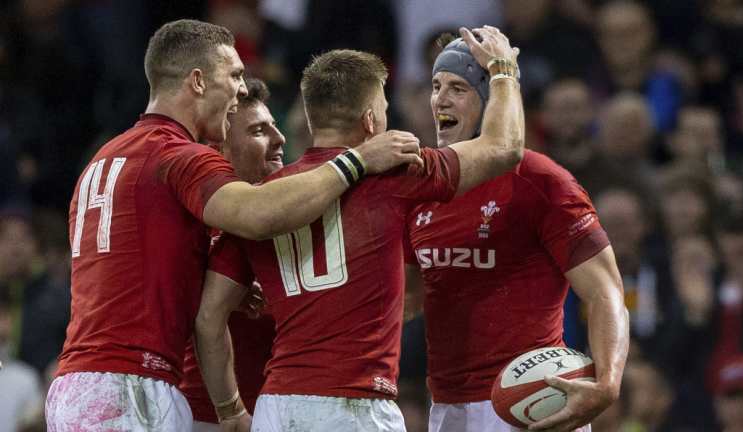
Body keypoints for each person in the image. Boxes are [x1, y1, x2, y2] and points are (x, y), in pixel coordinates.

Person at [45, 19, 423, 431]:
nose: (241, 89)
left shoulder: (103, 157)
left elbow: (134, 264)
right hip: (132, 384)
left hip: (77, 384)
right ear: (197, 81)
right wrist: (359, 161)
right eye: (235, 75)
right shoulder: (179, 155)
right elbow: (258, 215)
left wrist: (209, 281)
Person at [195, 26, 524, 432]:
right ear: (371, 120)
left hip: (277, 406)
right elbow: (504, 147)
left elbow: (209, 318)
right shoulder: (396, 174)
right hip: (355, 404)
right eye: (383, 108)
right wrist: (503, 70)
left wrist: (229, 410)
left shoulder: (262, 200)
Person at [403, 32, 629, 432]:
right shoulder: (423, 186)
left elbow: (605, 290)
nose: (441, 99)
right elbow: (408, 297)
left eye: (458, 88)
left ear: (491, 101)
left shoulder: (542, 180)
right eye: (436, 87)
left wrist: (608, 382)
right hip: (447, 408)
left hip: (535, 402)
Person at [179, 77, 282, 432]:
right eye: (258, 131)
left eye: (275, 126)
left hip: (283, 412)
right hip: (210, 418)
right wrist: (231, 411)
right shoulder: (192, 225)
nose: (279, 140)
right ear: (218, 148)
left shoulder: (293, 215)